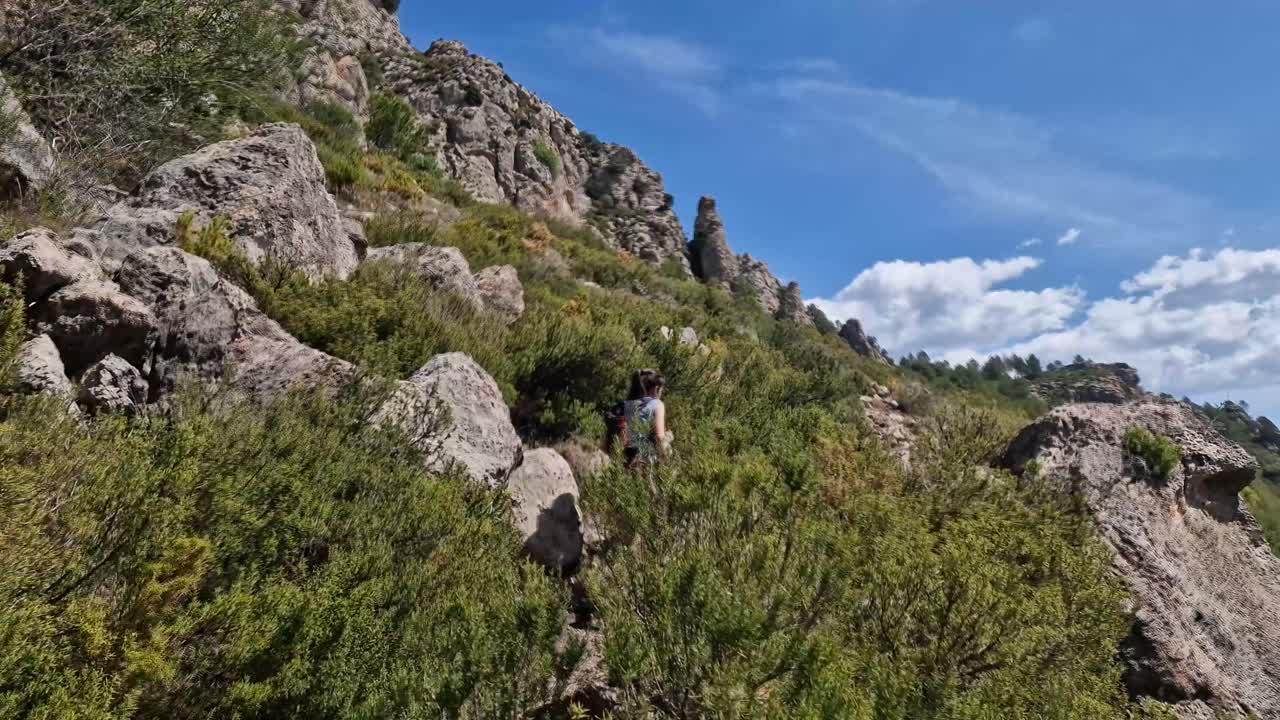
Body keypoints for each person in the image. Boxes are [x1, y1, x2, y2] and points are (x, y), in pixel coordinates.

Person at [605, 369, 669, 468]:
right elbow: (659, 437)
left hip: (621, 463)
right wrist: (666, 461)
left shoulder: (623, 405)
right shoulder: (657, 404)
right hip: (645, 464)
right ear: (655, 388)